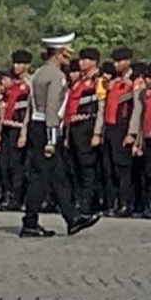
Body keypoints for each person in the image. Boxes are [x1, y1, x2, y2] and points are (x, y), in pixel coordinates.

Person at [16, 38, 94, 239]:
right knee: (40, 177)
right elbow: (52, 109)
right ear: (58, 54)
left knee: (59, 176)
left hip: (36, 125)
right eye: (66, 54)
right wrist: (51, 140)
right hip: (46, 128)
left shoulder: (39, 74)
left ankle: (72, 218)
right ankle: (30, 221)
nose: (69, 59)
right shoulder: (57, 76)